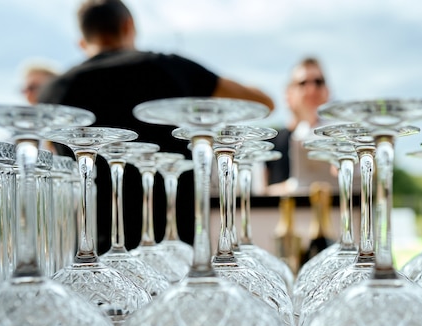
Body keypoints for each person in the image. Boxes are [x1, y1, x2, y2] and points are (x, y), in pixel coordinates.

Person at [38, 0, 274, 253]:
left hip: (94, 250)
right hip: (175, 245)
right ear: (129, 26)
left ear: (82, 42)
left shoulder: (53, 92)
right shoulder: (168, 67)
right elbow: (262, 103)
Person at [265, 57, 335, 196]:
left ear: (327, 91)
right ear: (288, 94)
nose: (312, 89)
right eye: (303, 83)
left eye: (318, 82)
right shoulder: (269, 143)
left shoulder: (338, 139)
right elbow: (258, 193)